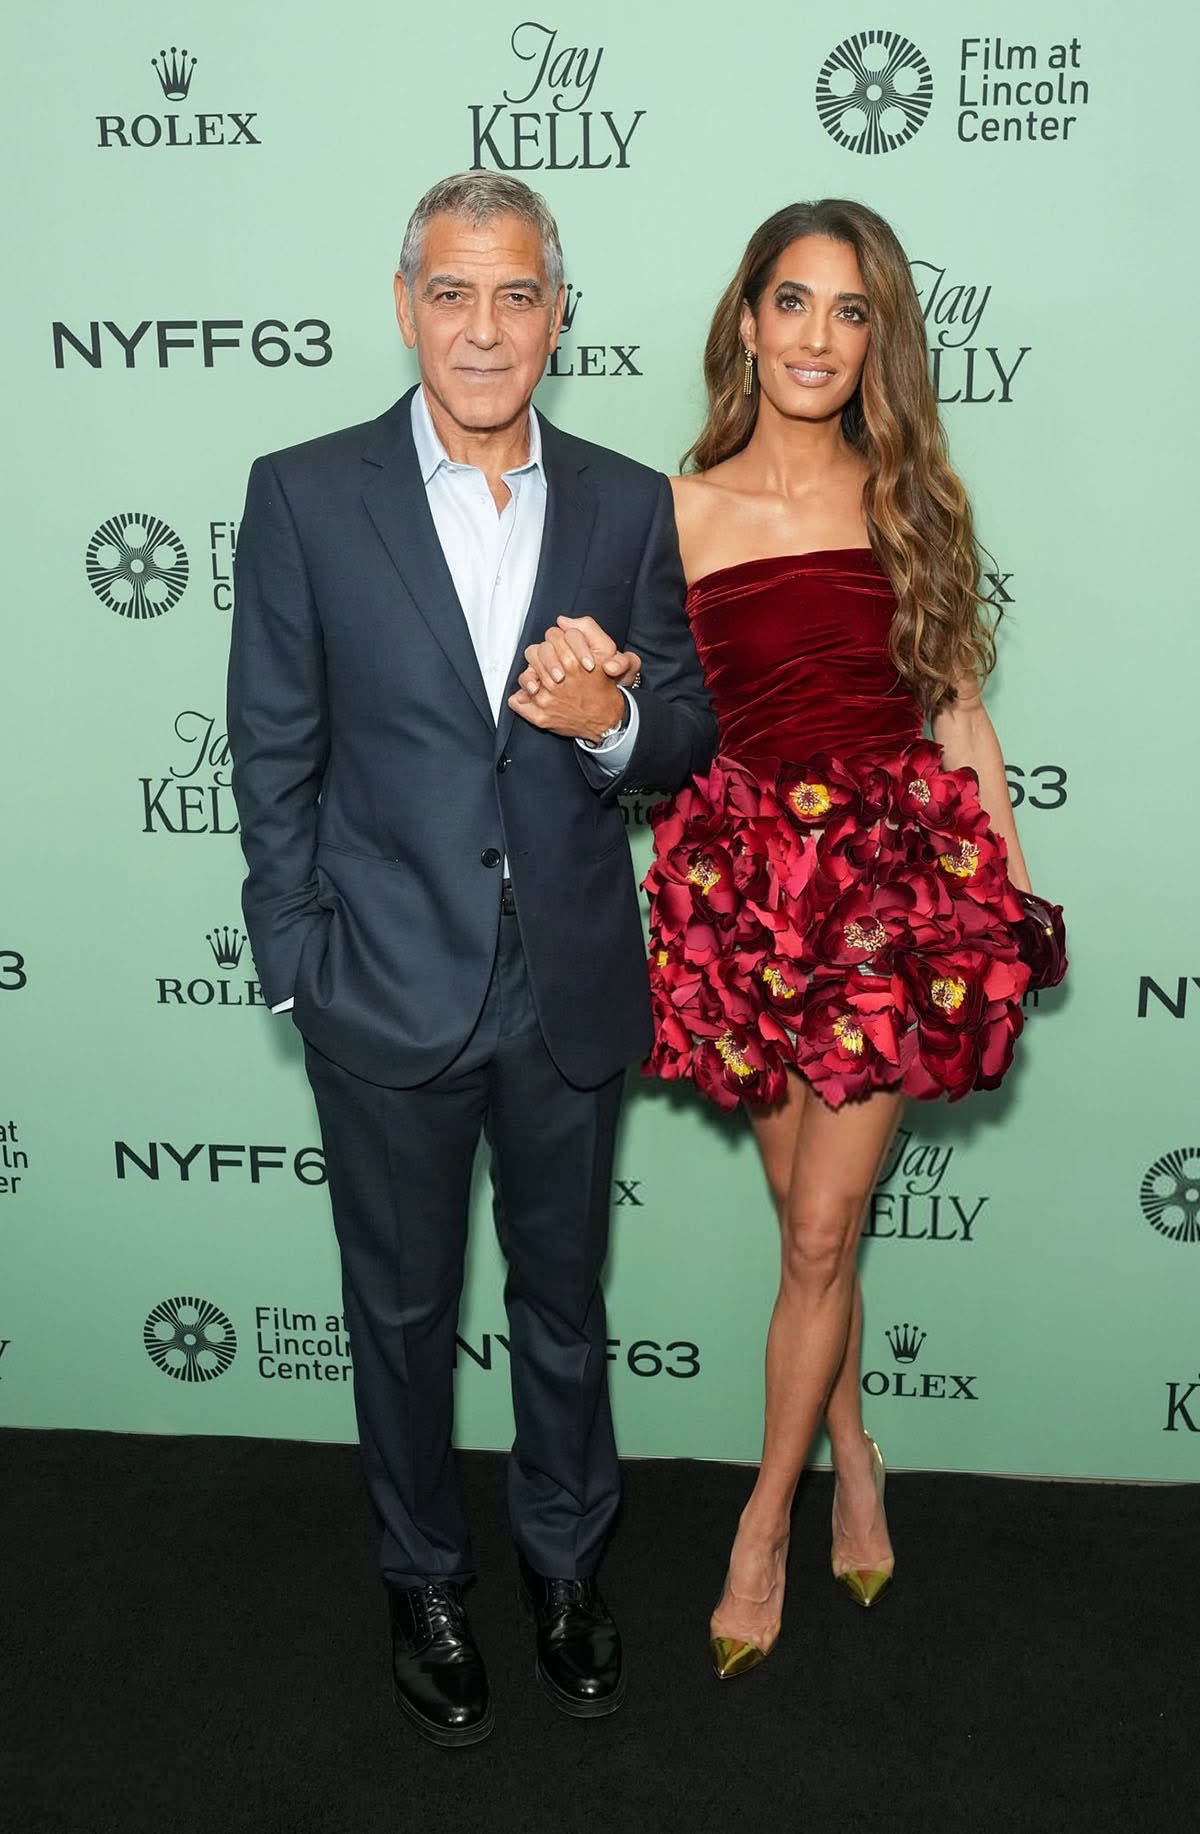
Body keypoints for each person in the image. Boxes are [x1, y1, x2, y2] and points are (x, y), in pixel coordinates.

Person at [226, 170, 716, 1746]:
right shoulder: (307, 494)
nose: (485, 328)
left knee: (563, 1302)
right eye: (452, 293)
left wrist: (610, 718)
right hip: (382, 984)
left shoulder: (628, 503)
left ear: (558, 314)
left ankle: (565, 1565)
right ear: (405, 307)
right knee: (399, 1313)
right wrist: (297, 959)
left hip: (565, 984)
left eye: (517, 295)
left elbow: (682, 734)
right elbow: (273, 748)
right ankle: (424, 1579)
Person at [521, 198, 1039, 1682]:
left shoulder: (912, 499)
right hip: (748, 893)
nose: (819, 337)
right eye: (794, 302)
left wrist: (1004, 896)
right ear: (746, 322)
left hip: (889, 897)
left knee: (822, 1229)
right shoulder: (670, 512)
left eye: (851, 310)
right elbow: (649, 711)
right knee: (807, 1222)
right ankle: (853, 1451)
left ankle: (762, 1525)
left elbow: (957, 711)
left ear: (880, 340)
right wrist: (598, 682)